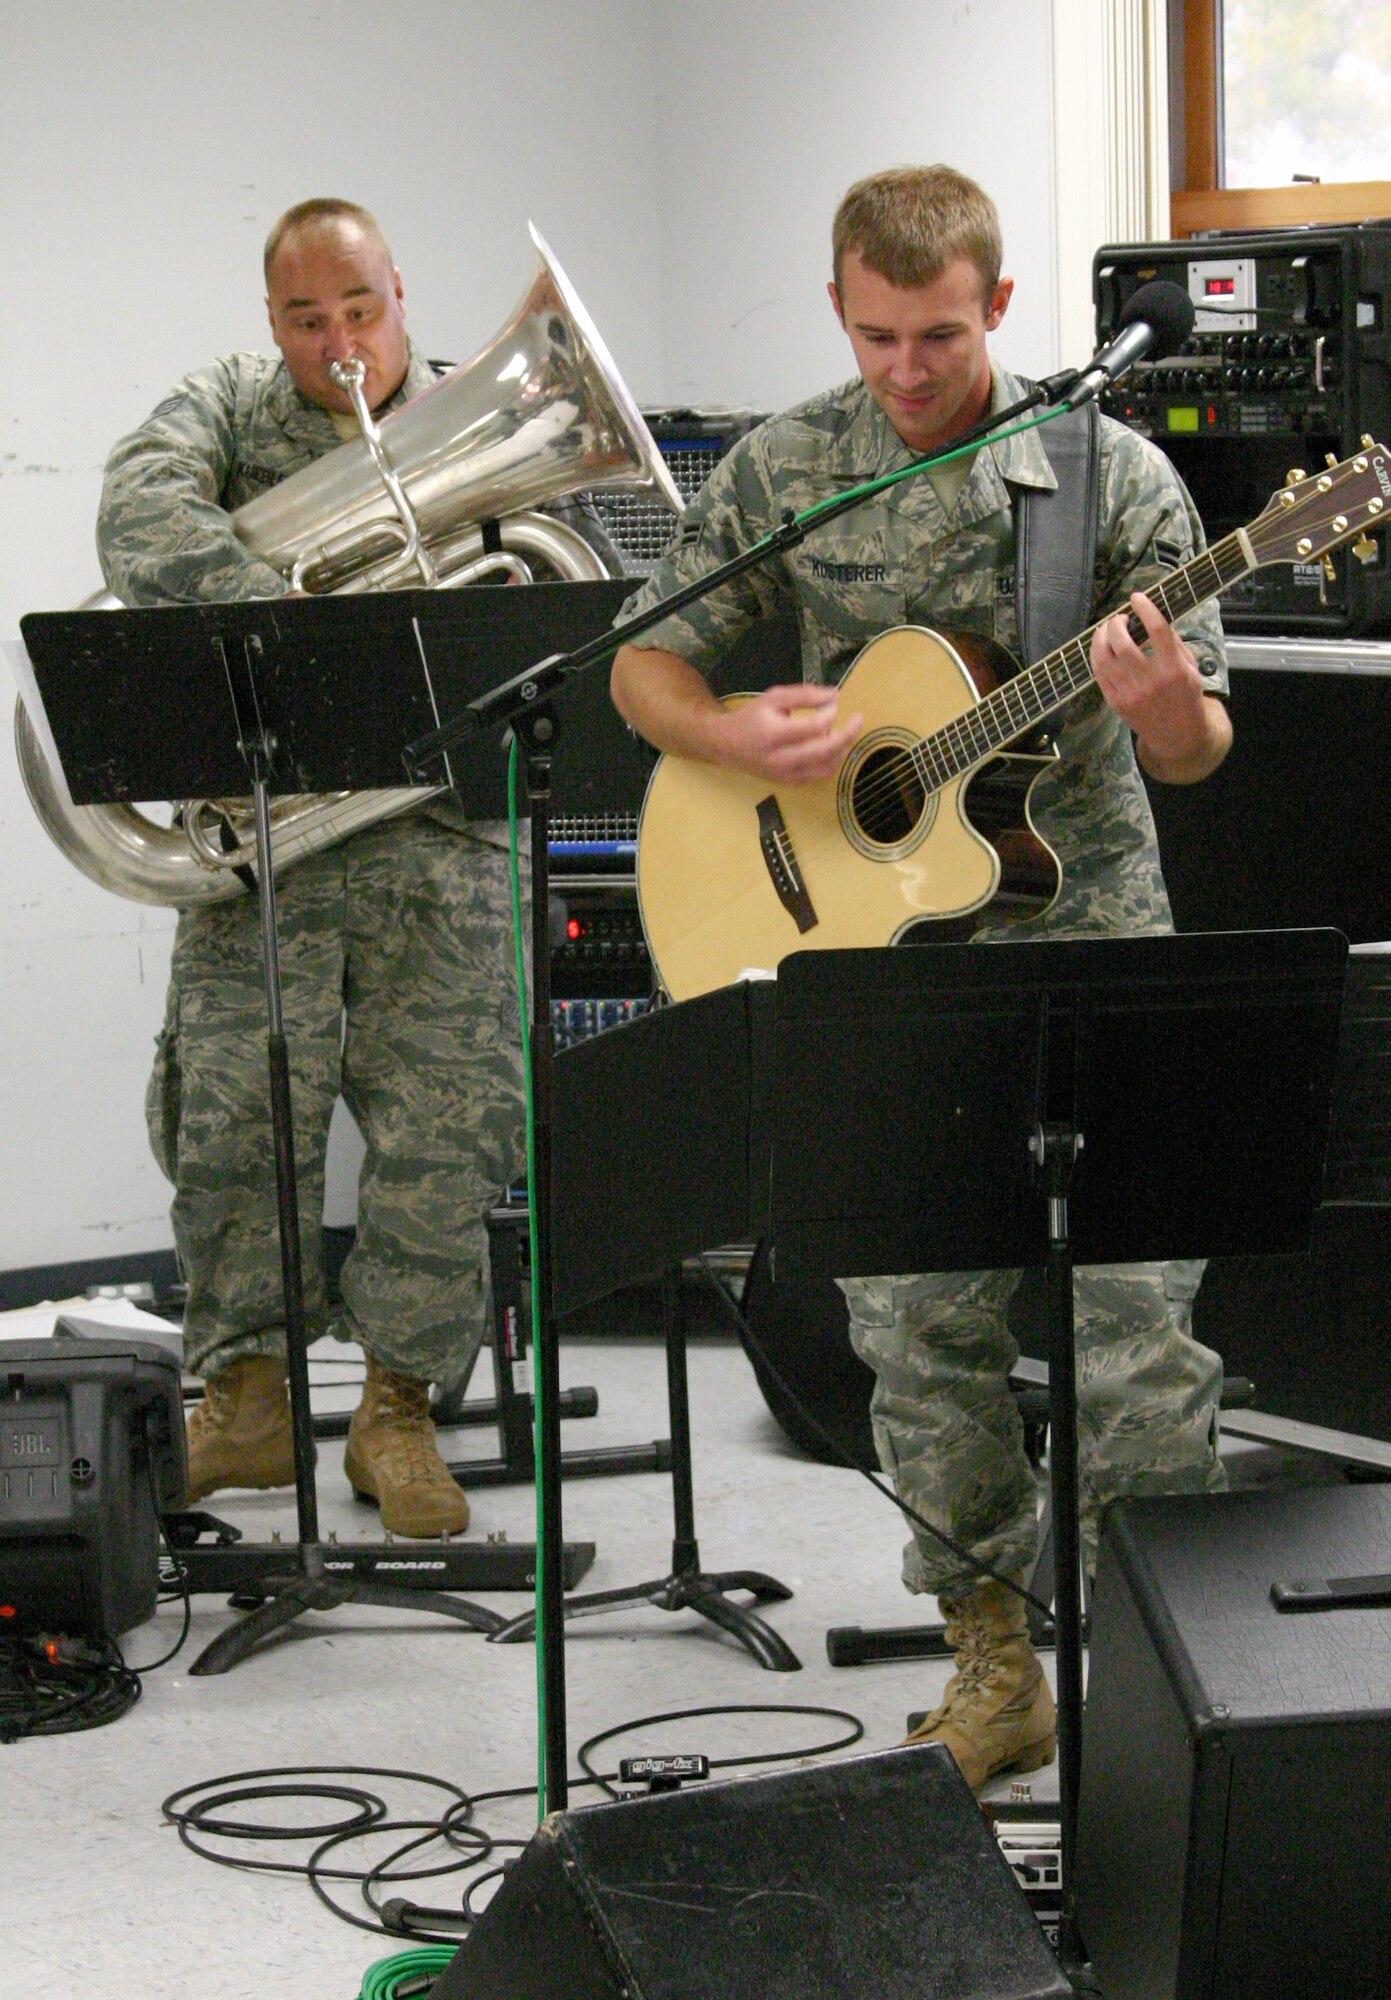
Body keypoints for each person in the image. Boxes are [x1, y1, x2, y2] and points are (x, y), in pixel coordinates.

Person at [610, 165, 1233, 1792]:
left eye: (940, 335)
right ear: (838, 309)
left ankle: (1164, 1680)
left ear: (1003, 311)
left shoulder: (1107, 478)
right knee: (917, 1333)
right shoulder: (787, 465)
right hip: (877, 949)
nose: (906, 369)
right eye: (878, 335)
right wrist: (732, 728)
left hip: (1091, 939)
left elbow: (1197, 747)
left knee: (1138, 1337)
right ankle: (992, 1663)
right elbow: (640, 660)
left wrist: (1156, 699)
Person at [99, 197, 616, 1539]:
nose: (336, 342)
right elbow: (136, 514)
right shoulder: (224, 408)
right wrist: (285, 605)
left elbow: (577, 596)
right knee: (229, 1124)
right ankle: (253, 1398)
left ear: (402, 293)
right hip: (272, 838)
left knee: (445, 1140)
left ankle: (399, 1413)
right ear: (269, 320)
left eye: (358, 310)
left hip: (447, 844)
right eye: (302, 317)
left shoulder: (489, 412)